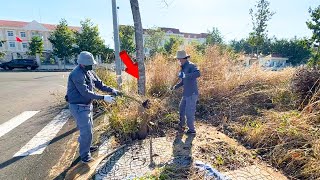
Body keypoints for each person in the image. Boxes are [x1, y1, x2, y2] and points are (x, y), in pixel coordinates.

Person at [66, 51, 121, 163]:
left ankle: (86, 146)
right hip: (78, 106)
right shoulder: (76, 74)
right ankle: (85, 156)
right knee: (86, 131)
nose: (92, 66)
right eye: (89, 64)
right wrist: (104, 98)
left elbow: (100, 84)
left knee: (89, 129)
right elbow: (85, 92)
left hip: (87, 104)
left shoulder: (89, 71)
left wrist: (111, 90)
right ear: (82, 64)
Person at [171, 50, 200, 134]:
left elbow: (198, 73)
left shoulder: (191, 65)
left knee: (189, 112)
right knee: (181, 109)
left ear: (183, 58)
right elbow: (183, 82)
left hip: (192, 93)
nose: (178, 60)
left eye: (179, 59)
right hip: (186, 94)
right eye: (178, 59)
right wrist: (175, 87)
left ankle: (191, 130)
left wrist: (185, 75)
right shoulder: (183, 67)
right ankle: (181, 126)